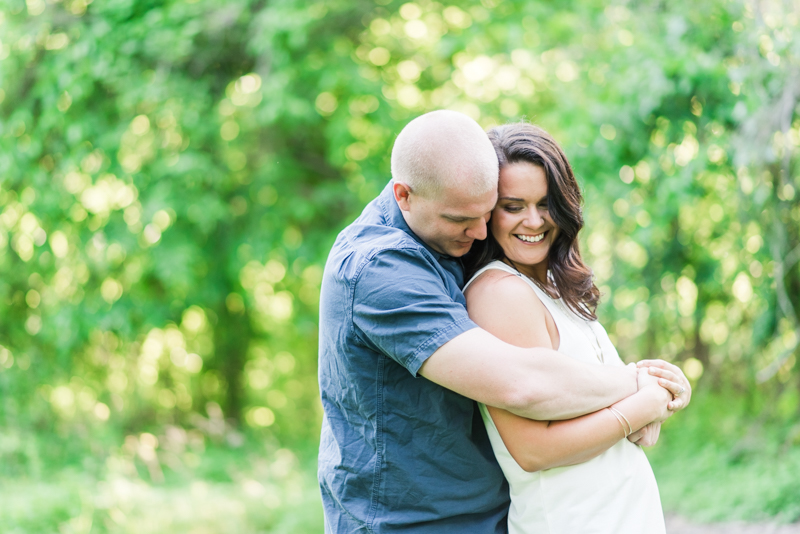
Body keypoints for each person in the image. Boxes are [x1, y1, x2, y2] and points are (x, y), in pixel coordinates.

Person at [317, 110, 691, 533]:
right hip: (412, 522)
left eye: (487, 211)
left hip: (486, 515)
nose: (480, 233)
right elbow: (523, 385)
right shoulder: (378, 270)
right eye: (464, 219)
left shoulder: (452, 238)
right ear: (404, 195)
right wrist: (641, 388)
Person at [462, 122, 672, 533]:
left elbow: (631, 425)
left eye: (545, 203)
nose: (534, 220)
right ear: (487, 211)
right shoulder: (500, 293)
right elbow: (533, 449)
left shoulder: (554, 286)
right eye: (513, 205)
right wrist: (643, 402)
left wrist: (658, 384)